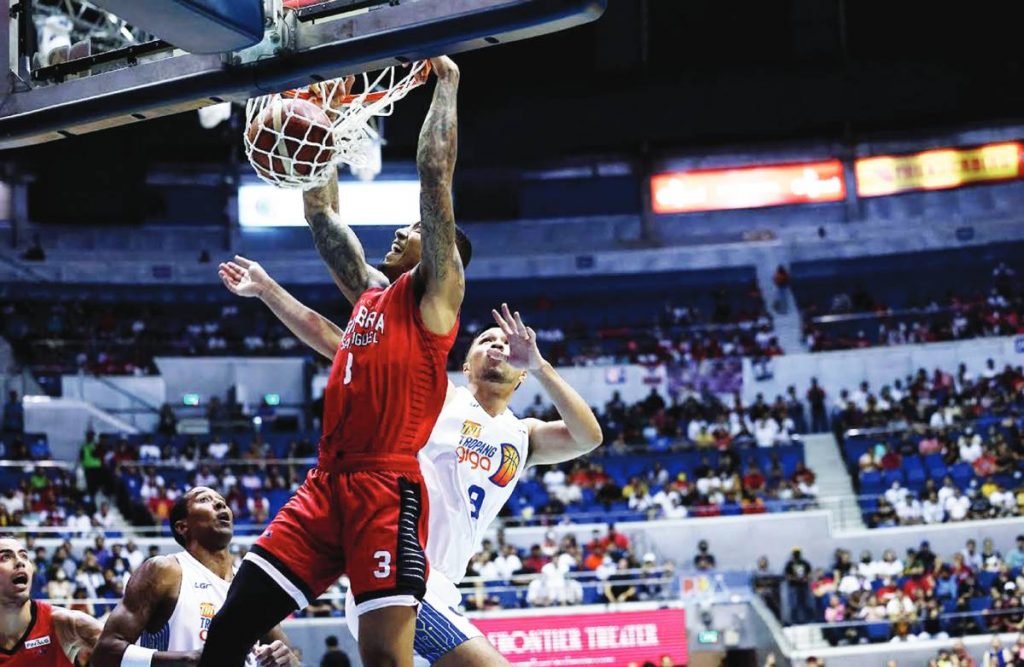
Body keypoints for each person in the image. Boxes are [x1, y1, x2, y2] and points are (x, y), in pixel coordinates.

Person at [201, 56, 469, 667]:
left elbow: (434, 178)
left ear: (447, 250)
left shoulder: (437, 299)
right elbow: (321, 215)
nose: (401, 231)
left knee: (383, 658)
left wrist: (447, 85)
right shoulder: (373, 295)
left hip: (386, 488)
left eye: (414, 230)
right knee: (231, 625)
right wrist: (317, 117)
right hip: (326, 484)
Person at [222, 255, 602, 664]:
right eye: (485, 340)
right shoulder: (435, 394)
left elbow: (588, 437)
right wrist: (267, 290)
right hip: (398, 575)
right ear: (465, 363)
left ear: (521, 372)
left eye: (505, 342)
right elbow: (337, 343)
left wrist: (542, 366)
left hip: (443, 589)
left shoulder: (523, 435)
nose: (497, 344)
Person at [93, 487, 296, 667]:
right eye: (204, 500)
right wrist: (187, 659)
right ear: (182, 526)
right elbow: (105, 654)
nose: (219, 503)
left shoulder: (250, 586)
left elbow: (290, 660)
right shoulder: (166, 571)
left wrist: (284, 658)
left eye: (222, 502)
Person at [0, 536, 101, 665]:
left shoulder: (67, 625)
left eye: (24, 556)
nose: (20, 562)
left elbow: (126, 655)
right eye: (5, 557)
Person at [785, 547, 814, 625]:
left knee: (807, 603)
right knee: (794, 604)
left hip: (804, 586)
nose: (796, 554)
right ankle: (794, 621)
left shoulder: (805, 563)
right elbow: (787, 576)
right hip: (794, 587)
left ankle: (808, 620)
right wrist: (796, 579)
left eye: (797, 553)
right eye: (795, 553)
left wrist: (805, 578)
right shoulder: (790, 564)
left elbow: (810, 573)